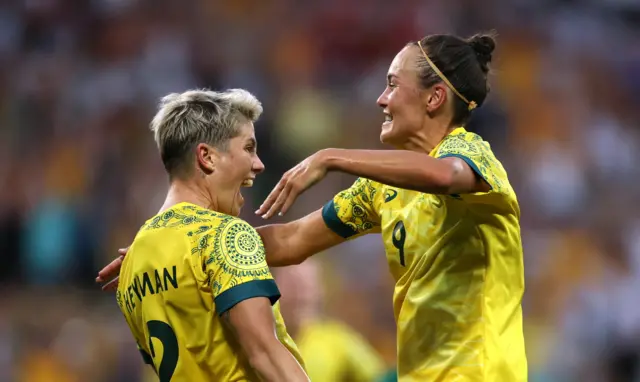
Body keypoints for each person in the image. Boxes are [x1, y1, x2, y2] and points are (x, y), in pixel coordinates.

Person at [98, 32, 527, 381]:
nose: (381, 99)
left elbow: (449, 176)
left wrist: (330, 157)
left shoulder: (471, 154)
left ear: (434, 99)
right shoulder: (381, 191)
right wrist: (176, 244)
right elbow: (293, 238)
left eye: (393, 84)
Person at [112, 89, 308, 382]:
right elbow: (265, 354)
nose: (259, 164)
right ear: (207, 156)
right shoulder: (223, 235)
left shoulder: (130, 267)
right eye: (249, 148)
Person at [274, 259, 386, 382]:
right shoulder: (259, 340)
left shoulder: (338, 341)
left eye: (305, 287)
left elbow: (380, 377)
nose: (299, 295)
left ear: (319, 292)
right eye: (292, 285)